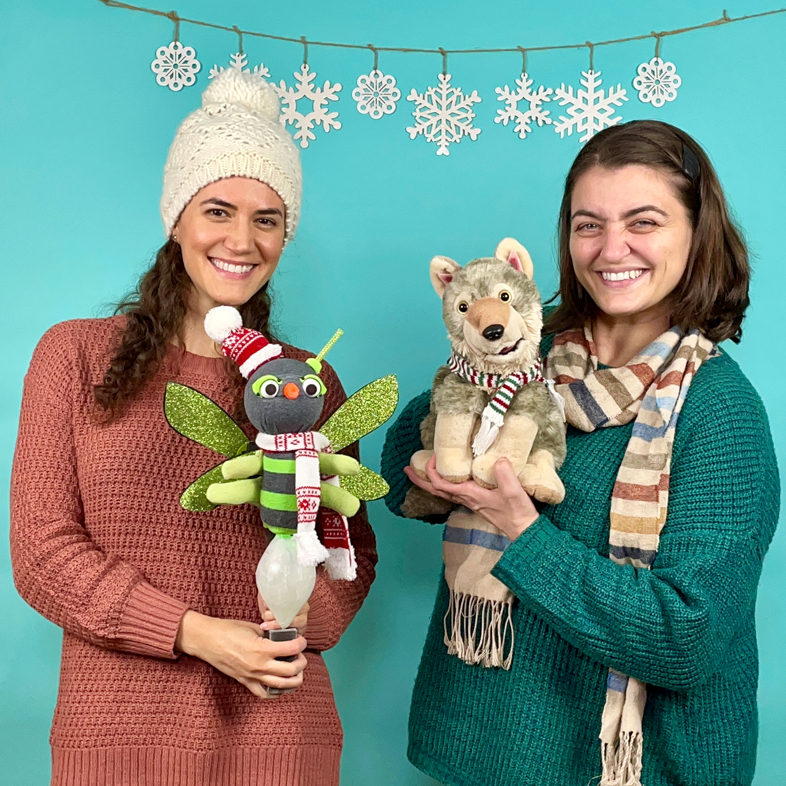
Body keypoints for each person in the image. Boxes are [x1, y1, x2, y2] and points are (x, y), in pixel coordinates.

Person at [381, 120, 779, 786]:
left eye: (644, 222)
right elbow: (397, 469)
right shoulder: (527, 348)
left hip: (627, 769)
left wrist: (523, 533)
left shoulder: (720, 414)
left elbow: (687, 641)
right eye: (588, 224)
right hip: (487, 748)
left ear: (696, 232)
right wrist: (449, 440)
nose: (611, 248)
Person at [10, 68, 376, 786]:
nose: (242, 240)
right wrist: (197, 635)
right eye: (218, 209)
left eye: (267, 219)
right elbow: (41, 552)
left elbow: (349, 549)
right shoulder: (74, 356)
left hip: (280, 735)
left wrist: (301, 623)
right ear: (176, 216)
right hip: (117, 738)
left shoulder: (308, 384)